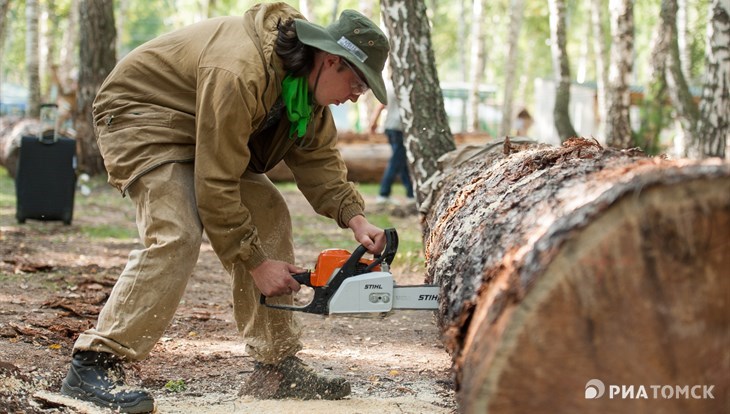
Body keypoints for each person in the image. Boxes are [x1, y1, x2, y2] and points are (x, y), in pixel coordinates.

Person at [59, 3, 390, 413]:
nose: (356, 97)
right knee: (177, 231)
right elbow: (214, 185)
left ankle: (276, 367)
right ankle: (94, 363)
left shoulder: (306, 92)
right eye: (357, 84)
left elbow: (318, 159)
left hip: (201, 127)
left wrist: (356, 219)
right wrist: (255, 263)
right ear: (331, 60)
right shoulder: (240, 70)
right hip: (142, 116)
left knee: (269, 209)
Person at [368, 82, 414, 205]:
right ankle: (383, 193)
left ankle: (411, 194)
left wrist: (373, 122)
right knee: (396, 161)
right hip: (400, 128)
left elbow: (380, 106)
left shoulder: (389, 89)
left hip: (389, 127)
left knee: (401, 161)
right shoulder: (407, 87)